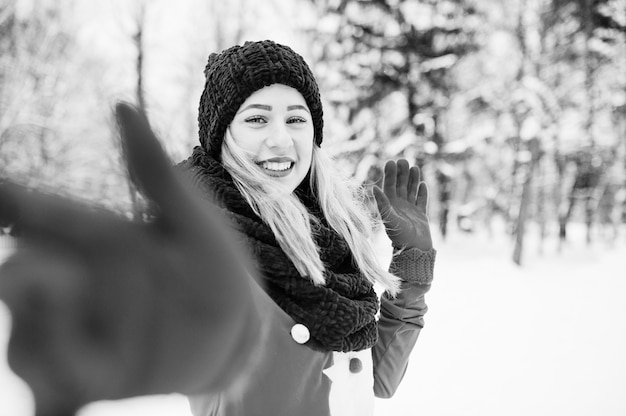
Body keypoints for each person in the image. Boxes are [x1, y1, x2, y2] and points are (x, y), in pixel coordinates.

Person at [176, 39, 436, 416]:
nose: (281, 139)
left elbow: (376, 380)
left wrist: (412, 270)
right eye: (256, 118)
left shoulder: (332, 239)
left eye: (296, 119)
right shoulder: (204, 245)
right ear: (221, 136)